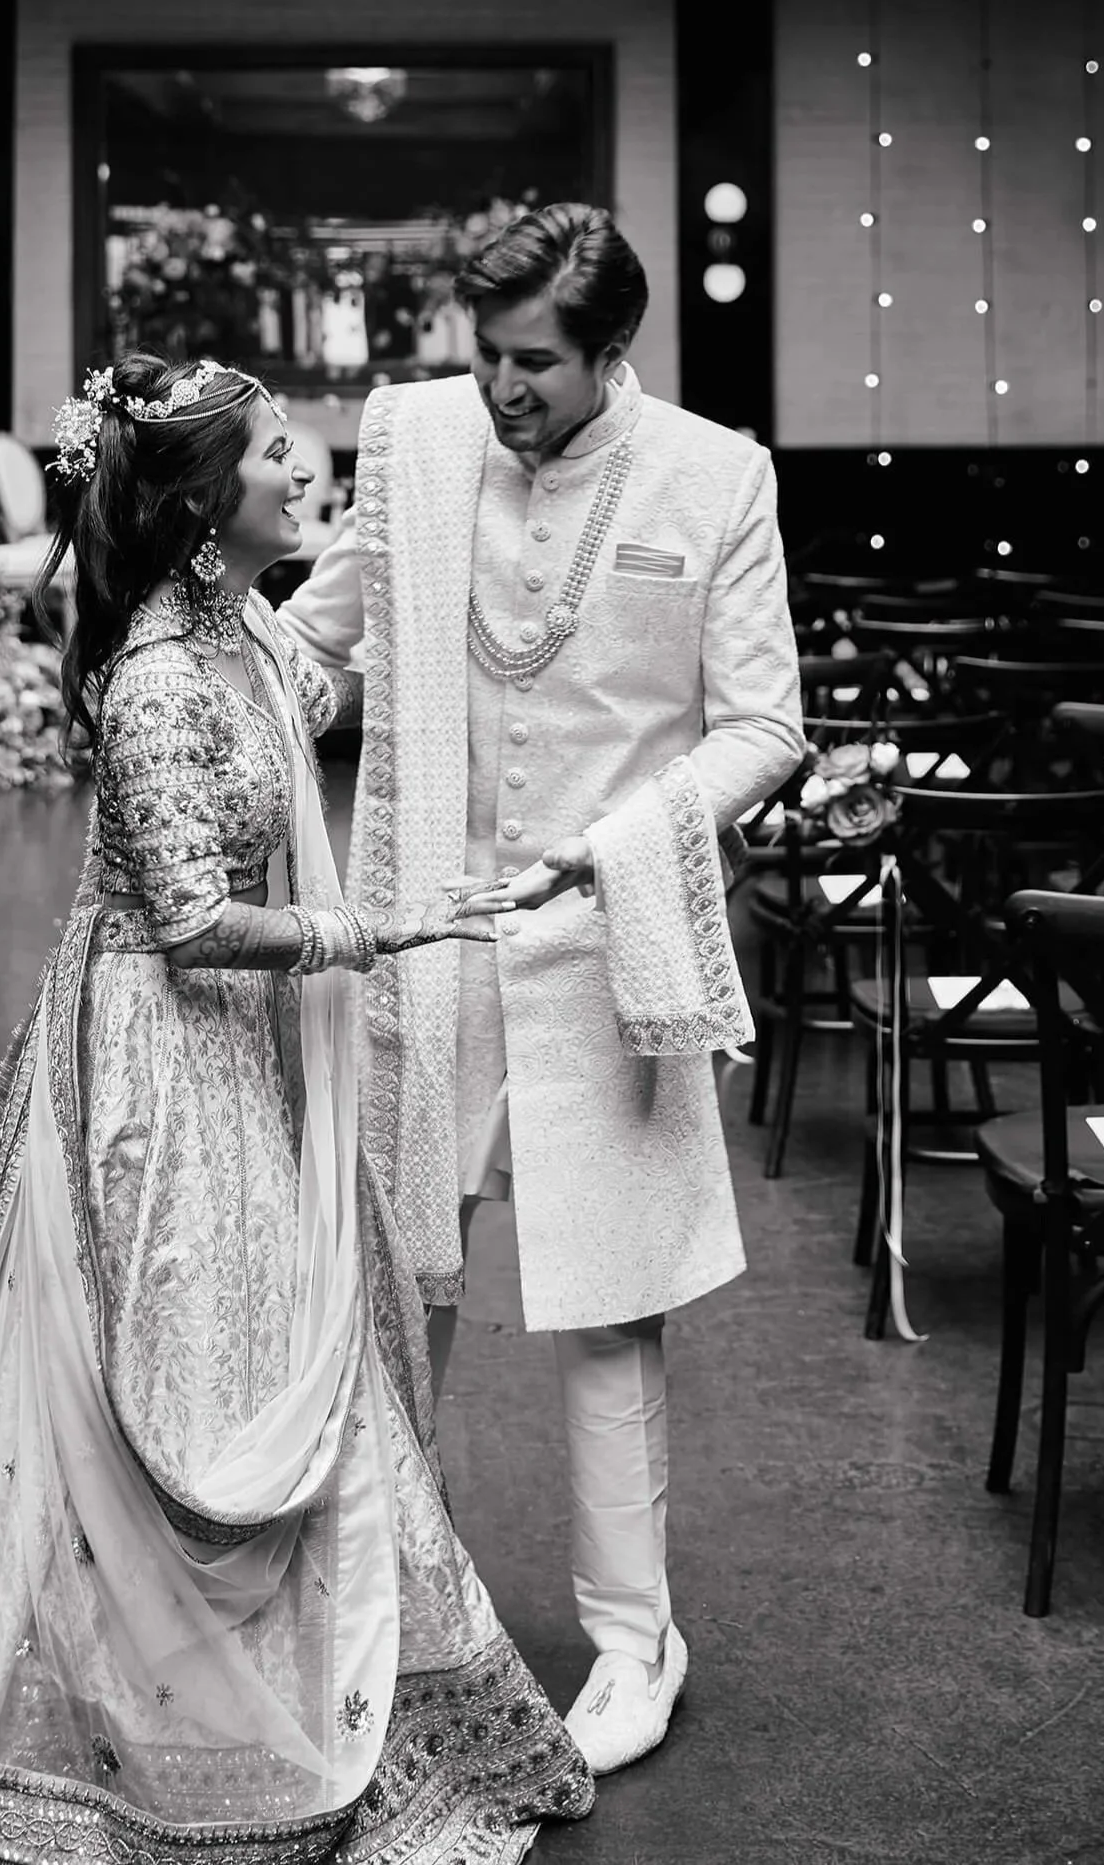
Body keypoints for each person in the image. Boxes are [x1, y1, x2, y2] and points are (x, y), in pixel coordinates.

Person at [0, 349, 594, 1863]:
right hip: (162, 1061)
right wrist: (374, 931)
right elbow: (184, 920)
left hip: (249, 1047)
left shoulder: (242, 633)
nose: (306, 474)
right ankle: (134, 1733)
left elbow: (345, 676)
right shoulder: (164, 673)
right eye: (279, 456)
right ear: (192, 503)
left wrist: (461, 519)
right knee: (173, 1379)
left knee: (294, 1349)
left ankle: (325, 1679)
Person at [278, 203, 806, 1777]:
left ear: (608, 351)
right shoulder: (419, 442)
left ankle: (635, 1643)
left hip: (606, 946)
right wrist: (185, 674)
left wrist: (622, 846)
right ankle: (387, 1600)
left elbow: (763, 729)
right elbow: (321, 644)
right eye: (483, 354)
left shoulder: (716, 475)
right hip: (424, 931)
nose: (498, 389)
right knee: (396, 1288)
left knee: (606, 1314)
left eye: (532, 365)